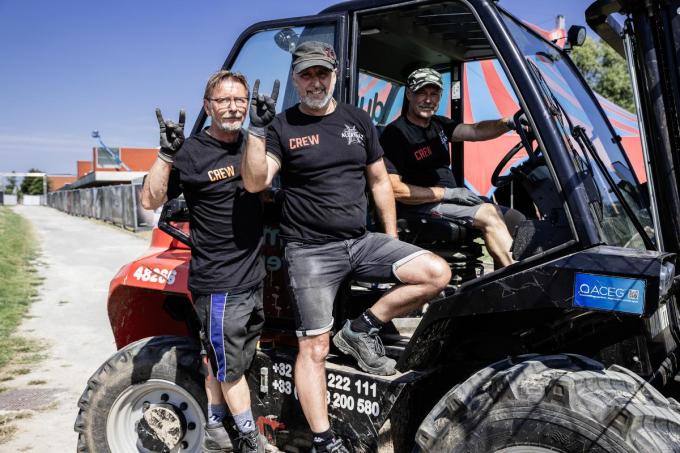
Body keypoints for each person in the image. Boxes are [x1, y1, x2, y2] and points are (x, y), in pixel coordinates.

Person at [241, 41, 451, 453]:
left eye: (322, 73)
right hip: (310, 251)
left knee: (435, 273)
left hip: (360, 242)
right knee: (314, 347)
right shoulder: (282, 126)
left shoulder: (358, 121)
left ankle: (361, 329)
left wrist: (390, 239)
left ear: (334, 74)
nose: (315, 81)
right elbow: (255, 182)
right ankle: (323, 441)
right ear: (296, 79)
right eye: (306, 74)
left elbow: (378, 182)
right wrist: (255, 130)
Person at [141, 70, 265, 453]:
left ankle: (214, 427)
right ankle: (248, 436)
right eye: (224, 100)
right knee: (229, 366)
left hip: (255, 274)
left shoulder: (253, 142)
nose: (233, 107)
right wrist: (165, 155)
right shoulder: (190, 151)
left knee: (222, 358)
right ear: (208, 106)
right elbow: (150, 200)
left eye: (239, 100)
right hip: (218, 281)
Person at [379, 67, 525, 268]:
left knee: (516, 219)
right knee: (488, 215)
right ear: (409, 94)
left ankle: (503, 283)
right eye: (422, 92)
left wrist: (508, 122)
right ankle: (519, 281)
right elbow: (395, 190)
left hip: (451, 200)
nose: (428, 100)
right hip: (418, 207)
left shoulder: (439, 124)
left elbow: (475, 131)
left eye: (434, 94)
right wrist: (447, 193)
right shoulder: (395, 134)